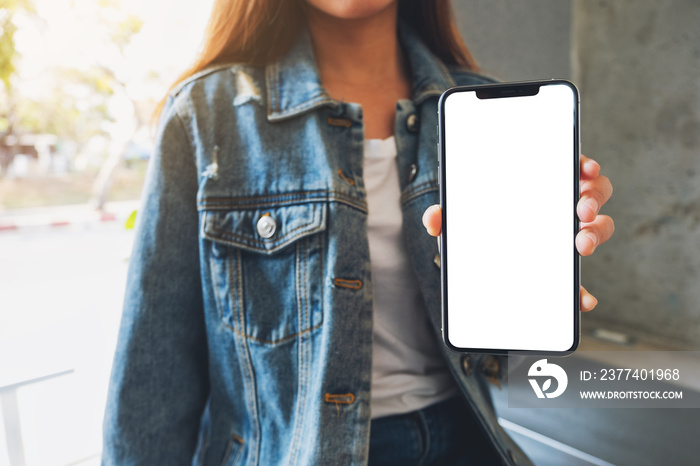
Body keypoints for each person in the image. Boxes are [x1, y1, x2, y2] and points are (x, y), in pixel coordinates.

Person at [102, 0, 614, 464]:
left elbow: (494, 359)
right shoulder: (207, 116)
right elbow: (152, 380)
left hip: (468, 441)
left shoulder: (476, 107)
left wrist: (535, 274)